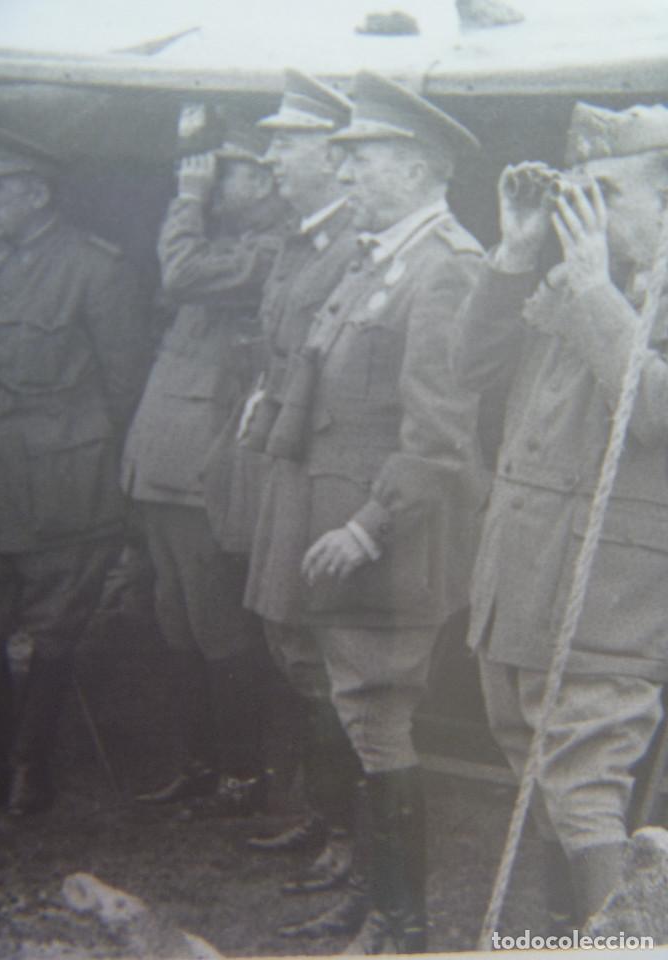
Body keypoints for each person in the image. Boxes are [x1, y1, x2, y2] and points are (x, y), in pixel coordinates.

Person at [247, 71, 485, 953]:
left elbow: (439, 439)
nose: (343, 176)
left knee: (380, 726)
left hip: (386, 545)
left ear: (420, 168)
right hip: (339, 538)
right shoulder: (379, 256)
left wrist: (366, 525)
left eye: (363, 159)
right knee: (354, 718)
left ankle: (403, 923)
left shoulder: (447, 271)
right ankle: (366, 900)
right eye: (340, 159)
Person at [455, 102, 668, 928]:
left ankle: (621, 949)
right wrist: (513, 252)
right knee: (537, 784)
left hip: (612, 598)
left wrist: (588, 290)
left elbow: (654, 409)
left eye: (605, 192)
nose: (583, 211)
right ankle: (556, 946)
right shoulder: (576, 276)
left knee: (584, 792)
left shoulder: (595, 286)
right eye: (577, 190)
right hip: (520, 586)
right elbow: (468, 365)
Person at [0, 123, 146, 817]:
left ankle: (35, 770)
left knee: (55, 629)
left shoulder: (95, 267)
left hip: (64, 481)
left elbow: (125, 385)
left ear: (36, 193)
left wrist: (105, 472)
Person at [219, 71, 367, 920]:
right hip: (279, 465)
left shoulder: (356, 245)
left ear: (331, 154)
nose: (272, 157)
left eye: (287, 142)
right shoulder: (300, 241)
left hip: (321, 474)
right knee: (286, 641)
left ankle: (348, 833)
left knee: (320, 652)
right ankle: (320, 816)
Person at [121, 121, 287, 817]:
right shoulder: (223, 241)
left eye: (231, 173)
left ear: (268, 181)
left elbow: (180, 272)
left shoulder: (275, 245)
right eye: (211, 175)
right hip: (158, 460)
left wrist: (185, 197)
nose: (216, 186)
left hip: (199, 468)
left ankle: (244, 772)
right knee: (174, 619)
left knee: (215, 623)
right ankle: (200, 762)